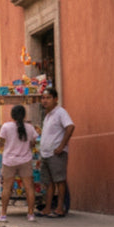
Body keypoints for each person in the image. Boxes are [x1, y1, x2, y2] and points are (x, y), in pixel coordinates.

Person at [0, 104, 38, 223]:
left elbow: (1, 142)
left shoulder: (6, 127)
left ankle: (3, 214)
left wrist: (4, 147)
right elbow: (33, 142)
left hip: (9, 161)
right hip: (25, 160)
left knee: (7, 188)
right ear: (24, 115)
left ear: (12, 115)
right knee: (29, 188)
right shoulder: (30, 128)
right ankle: (30, 214)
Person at [39, 87, 75, 217]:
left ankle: (60, 208)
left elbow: (70, 127)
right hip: (46, 154)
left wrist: (61, 146)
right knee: (48, 183)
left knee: (60, 181)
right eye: (43, 98)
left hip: (56, 154)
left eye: (48, 98)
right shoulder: (48, 115)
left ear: (55, 99)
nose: (45, 100)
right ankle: (48, 208)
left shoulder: (60, 112)